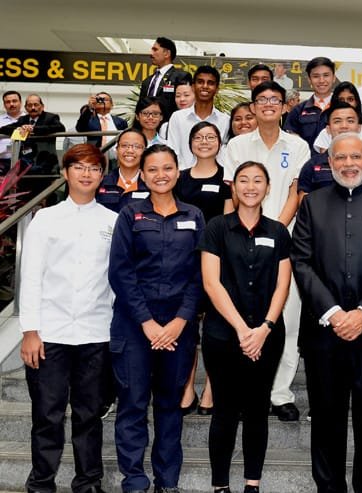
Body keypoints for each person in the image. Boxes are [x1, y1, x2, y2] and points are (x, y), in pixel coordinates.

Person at [292, 133, 362, 493]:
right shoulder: (312, 204)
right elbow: (302, 261)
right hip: (324, 332)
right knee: (326, 420)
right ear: (329, 161)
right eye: (341, 158)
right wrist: (334, 312)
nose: (349, 164)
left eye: (356, 156)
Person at [19, 144, 117, 493]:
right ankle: (41, 484)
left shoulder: (112, 221)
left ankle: (88, 483)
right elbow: (30, 277)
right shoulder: (45, 219)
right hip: (50, 334)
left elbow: (116, 281)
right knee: (47, 416)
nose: (86, 173)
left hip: (96, 333)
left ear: (102, 175)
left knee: (89, 416)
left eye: (93, 168)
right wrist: (30, 331)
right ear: (66, 173)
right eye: (79, 167)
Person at [109, 144, 204, 493]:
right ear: (143, 175)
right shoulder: (129, 214)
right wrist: (147, 323)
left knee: (169, 406)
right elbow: (121, 273)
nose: (160, 175)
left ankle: (168, 481)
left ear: (178, 172)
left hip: (178, 328)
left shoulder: (194, 215)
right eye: (153, 169)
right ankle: (134, 480)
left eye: (167, 168)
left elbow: (200, 275)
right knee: (132, 404)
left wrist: (180, 321)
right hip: (134, 325)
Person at [199, 160, 291, 493]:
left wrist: (264, 327)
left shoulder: (278, 231)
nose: (250, 186)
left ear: (267, 188)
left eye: (257, 181)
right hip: (223, 335)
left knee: (256, 409)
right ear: (233, 187)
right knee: (224, 409)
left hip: (267, 335)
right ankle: (220, 486)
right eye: (243, 180)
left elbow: (282, 285)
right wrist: (242, 329)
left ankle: (252, 483)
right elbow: (212, 283)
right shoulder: (216, 228)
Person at [223, 81, 310, 422]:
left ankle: (280, 393)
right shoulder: (238, 145)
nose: (269, 105)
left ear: (285, 106)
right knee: (245, 318)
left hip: (284, 242)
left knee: (287, 319)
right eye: (262, 100)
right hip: (242, 240)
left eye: (275, 99)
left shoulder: (298, 146)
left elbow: (296, 194)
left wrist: (272, 232)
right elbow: (234, 191)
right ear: (254, 106)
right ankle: (247, 391)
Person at [175, 122, 234, 416]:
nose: (205, 141)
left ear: (220, 142)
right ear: (190, 143)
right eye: (199, 137)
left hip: (217, 261)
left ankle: (211, 388)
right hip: (183, 261)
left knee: (215, 329)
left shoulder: (226, 178)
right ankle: (187, 387)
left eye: (211, 137)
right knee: (187, 329)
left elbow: (228, 222)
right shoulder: (179, 178)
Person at [298, 100, 362, 198]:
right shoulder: (313, 165)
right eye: (337, 121)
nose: (344, 126)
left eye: (350, 121)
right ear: (328, 129)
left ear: (359, 128)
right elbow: (304, 202)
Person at [167, 65, 230, 169]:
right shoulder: (178, 117)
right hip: (183, 179)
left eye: (210, 83)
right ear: (193, 86)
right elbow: (172, 152)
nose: (205, 86)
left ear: (217, 89)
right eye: (200, 82)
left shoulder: (225, 121)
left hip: (214, 180)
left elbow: (223, 156)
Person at [0, 94, 66, 174]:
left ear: (42, 106)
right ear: (25, 108)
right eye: (30, 105)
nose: (33, 108)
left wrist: (33, 129)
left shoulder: (51, 117)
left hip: (46, 162)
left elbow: (60, 128)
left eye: (36, 105)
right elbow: (4, 129)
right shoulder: (23, 119)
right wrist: (20, 128)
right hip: (26, 164)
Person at [283, 57, 335, 152]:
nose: (321, 80)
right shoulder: (298, 111)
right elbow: (289, 141)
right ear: (309, 80)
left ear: (334, 78)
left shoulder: (343, 109)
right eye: (316, 76)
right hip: (306, 165)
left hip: (337, 165)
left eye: (326, 75)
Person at [96, 129, 150, 213]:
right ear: (117, 150)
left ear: (145, 152)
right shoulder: (100, 182)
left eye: (137, 146)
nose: (130, 151)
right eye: (124, 145)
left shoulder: (152, 184)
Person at [312, 81, 362, 155]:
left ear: (357, 102)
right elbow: (324, 162)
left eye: (350, 99)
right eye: (341, 100)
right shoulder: (326, 133)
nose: (346, 103)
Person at [138, 37, 192, 121]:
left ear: (167, 53)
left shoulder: (181, 76)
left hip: (170, 126)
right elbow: (140, 107)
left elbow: (185, 106)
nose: (151, 53)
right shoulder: (147, 81)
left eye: (155, 50)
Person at [0, 90, 23, 170]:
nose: (11, 104)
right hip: (2, 162)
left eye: (14, 101)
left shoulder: (29, 119)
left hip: (24, 162)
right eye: (8, 102)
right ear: (4, 105)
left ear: (20, 102)